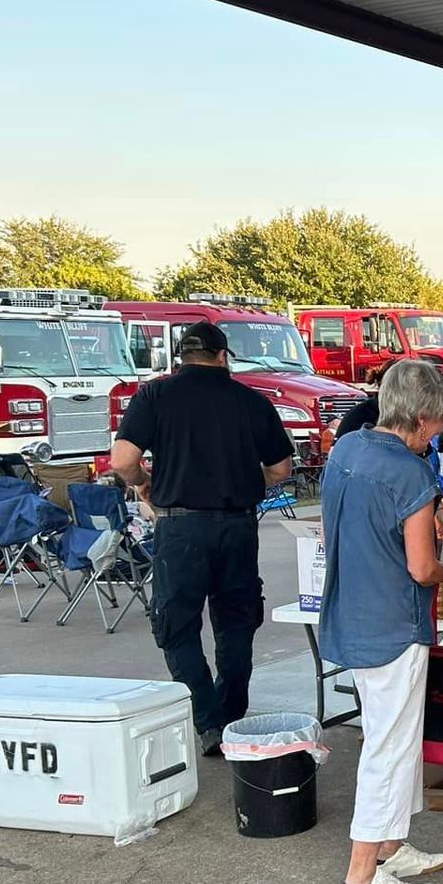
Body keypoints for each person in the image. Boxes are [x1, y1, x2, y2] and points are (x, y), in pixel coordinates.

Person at [110, 320, 293, 755]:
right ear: (223, 356)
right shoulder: (251, 400)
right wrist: (248, 481)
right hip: (237, 525)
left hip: (181, 526)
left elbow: (123, 460)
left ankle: (208, 721)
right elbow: (282, 469)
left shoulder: (155, 395)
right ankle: (231, 715)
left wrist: (144, 483)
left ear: (181, 356)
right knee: (236, 622)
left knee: (177, 627)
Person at [318, 361, 443, 884]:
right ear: (425, 416)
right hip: (393, 622)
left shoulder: (346, 449)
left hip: (351, 609)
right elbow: (424, 568)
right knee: (388, 745)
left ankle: (389, 847)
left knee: (391, 735)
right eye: (439, 419)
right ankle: (360, 878)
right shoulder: (412, 473)